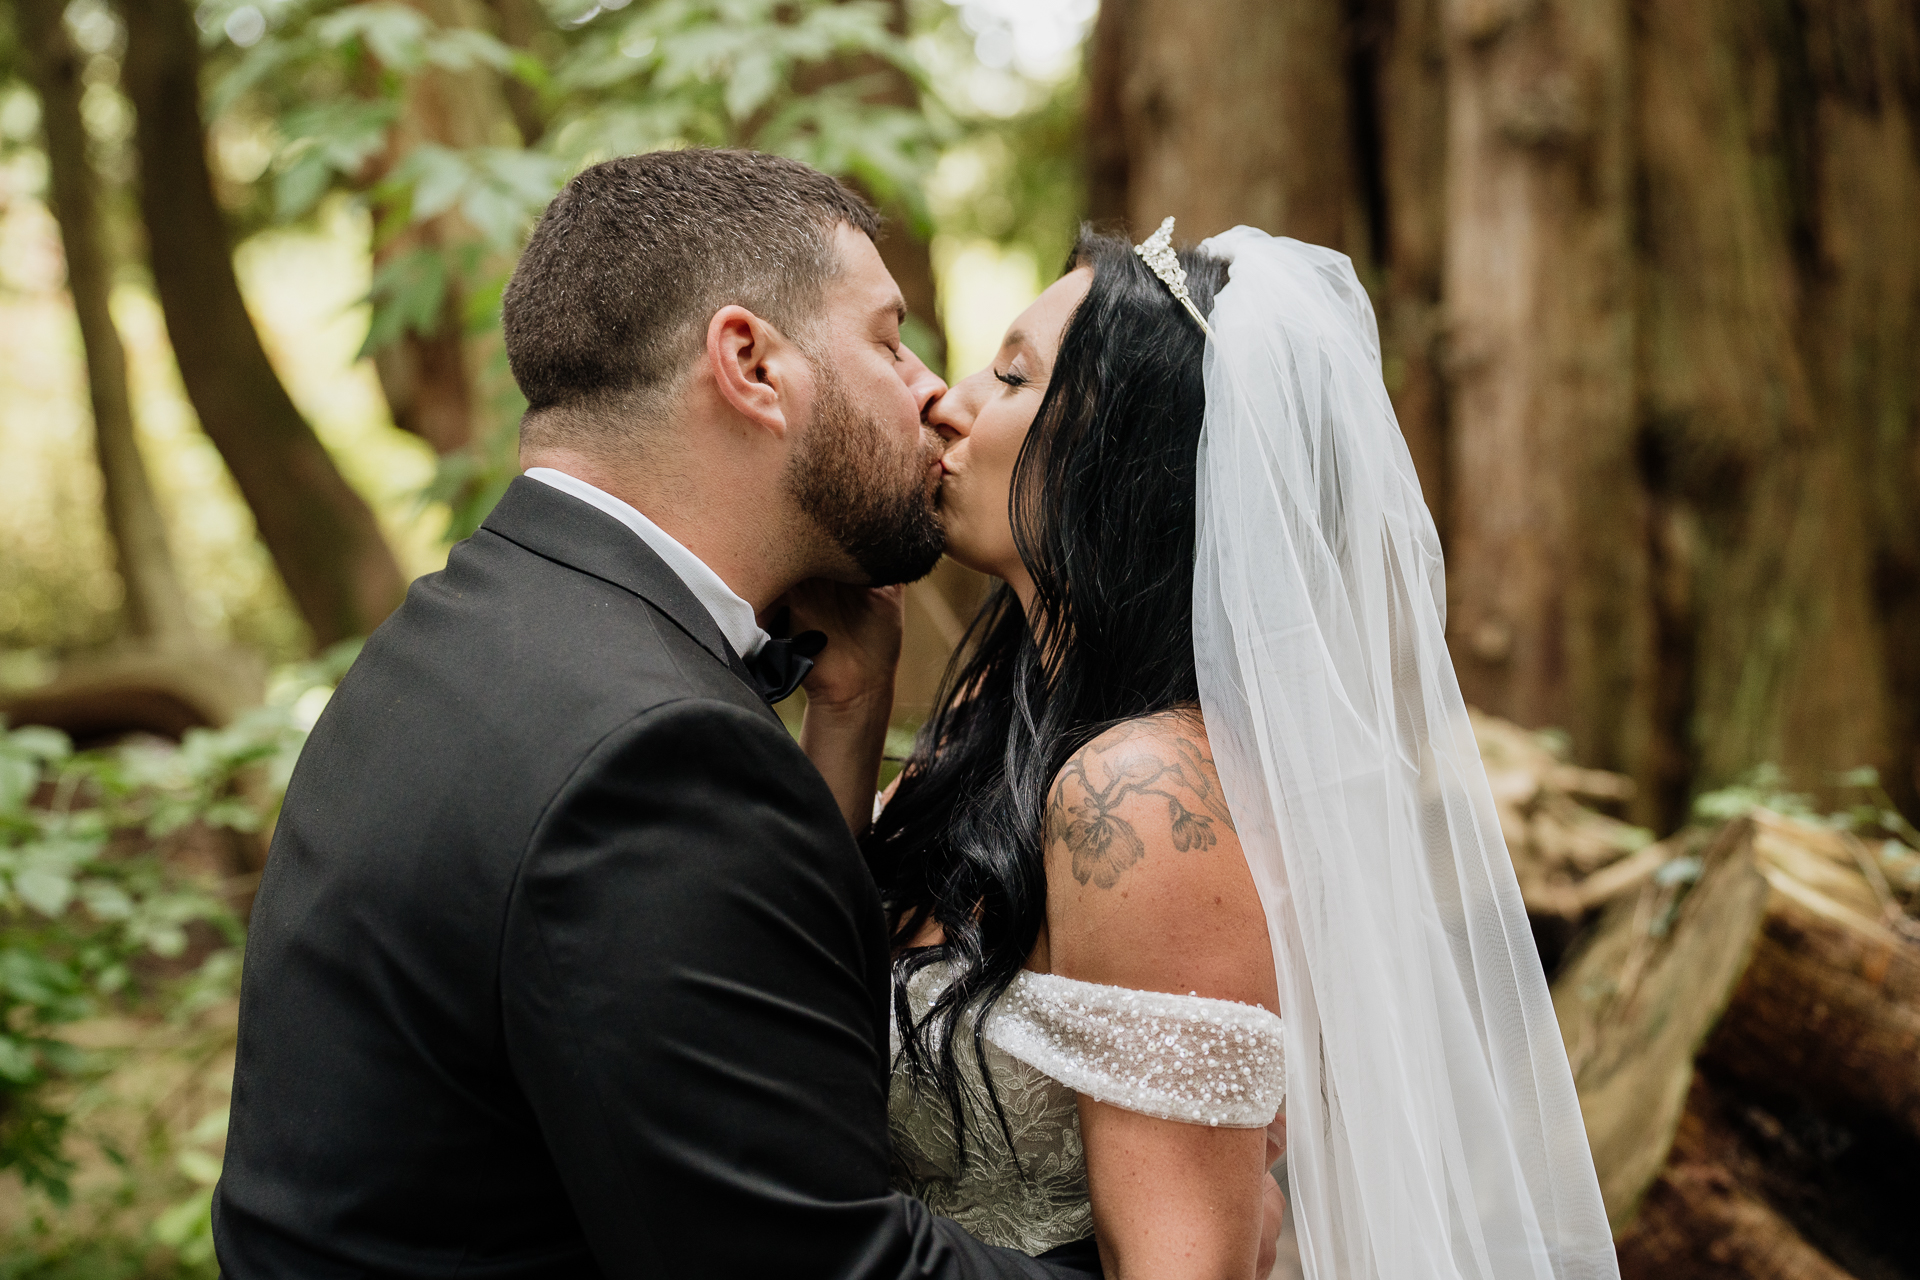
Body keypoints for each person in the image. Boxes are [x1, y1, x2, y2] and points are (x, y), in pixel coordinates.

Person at [211, 148, 1114, 1278]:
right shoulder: (651, 753)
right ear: (750, 364)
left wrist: (845, 718)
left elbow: (764, 1043)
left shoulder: (469, 625)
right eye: (888, 339)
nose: (931, 389)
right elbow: (814, 1260)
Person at [851, 221, 1621, 1280]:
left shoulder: (1145, 794)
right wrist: (850, 700)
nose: (951, 397)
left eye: (1015, 375)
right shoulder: (996, 734)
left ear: (1119, 460)